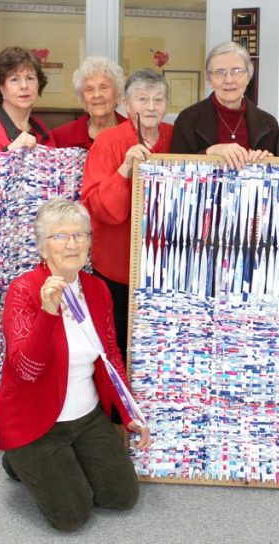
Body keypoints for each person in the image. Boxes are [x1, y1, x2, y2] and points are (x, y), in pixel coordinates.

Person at [0, 198, 151, 532]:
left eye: (80, 235)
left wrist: (129, 414)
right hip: (36, 420)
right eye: (61, 236)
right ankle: (18, 458)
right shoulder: (23, 290)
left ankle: (62, 460)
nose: (73, 243)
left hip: (86, 416)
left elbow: (110, 355)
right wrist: (48, 313)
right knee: (72, 517)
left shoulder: (96, 289)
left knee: (122, 497)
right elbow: (26, 370)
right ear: (42, 246)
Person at [81, 69, 173, 372]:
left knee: (160, 343)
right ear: (126, 104)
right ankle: (117, 413)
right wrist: (124, 170)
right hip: (118, 266)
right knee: (117, 341)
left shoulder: (175, 138)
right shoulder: (109, 142)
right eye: (143, 99)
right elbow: (99, 208)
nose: (151, 107)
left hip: (165, 266)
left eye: (158, 99)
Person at [172, 41, 278, 169]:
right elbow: (176, 170)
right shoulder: (188, 119)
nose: (229, 80)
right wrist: (209, 152)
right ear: (210, 80)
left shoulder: (269, 124)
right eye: (220, 72)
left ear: (248, 76)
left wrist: (267, 163)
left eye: (237, 71)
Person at [52, 55, 127, 150]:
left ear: (117, 93)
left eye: (103, 87)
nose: (97, 95)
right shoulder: (60, 138)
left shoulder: (133, 134)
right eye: (89, 89)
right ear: (82, 97)